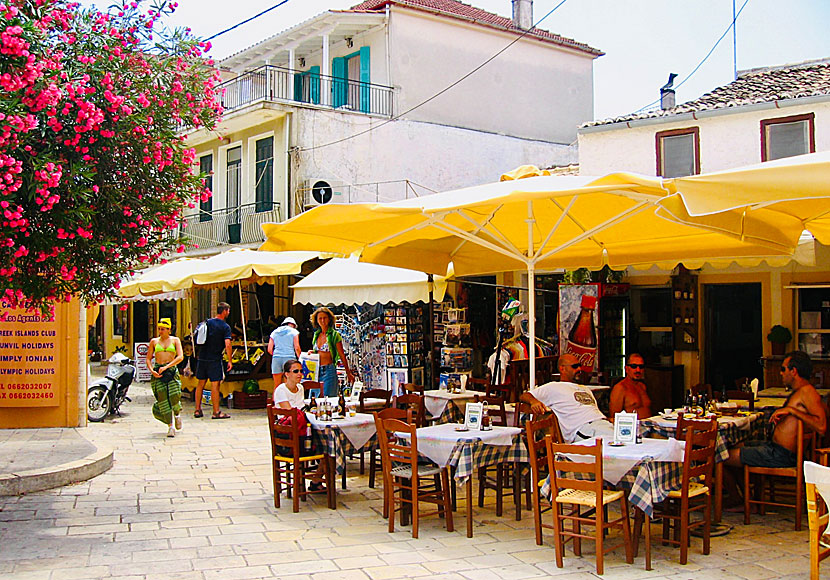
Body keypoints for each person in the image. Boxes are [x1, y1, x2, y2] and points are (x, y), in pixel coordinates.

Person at [520, 353, 614, 442]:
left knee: (624, 438)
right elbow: (524, 396)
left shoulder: (585, 389)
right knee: (618, 442)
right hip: (582, 429)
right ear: (562, 369)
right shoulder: (553, 387)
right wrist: (534, 402)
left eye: (579, 365)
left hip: (601, 424)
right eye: (574, 366)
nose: (579, 369)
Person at [194, 302, 233, 419]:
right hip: (215, 359)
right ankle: (216, 412)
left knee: (200, 384)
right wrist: (230, 360)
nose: (229, 313)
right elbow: (228, 344)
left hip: (202, 357)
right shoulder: (225, 327)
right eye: (228, 311)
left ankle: (197, 410)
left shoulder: (207, 322)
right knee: (215, 385)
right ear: (225, 311)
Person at [146, 318, 184, 437]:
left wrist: (168, 366)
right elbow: (148, 358)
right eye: (159, 329)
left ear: (169, 330)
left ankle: (177, 414)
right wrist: (152, 370)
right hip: (159, 371)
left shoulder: (175, 340)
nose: (160, 331)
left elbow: (180, 356)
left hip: (171, 370)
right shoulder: (154, 341)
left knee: (174, 395)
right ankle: (170, 426)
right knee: (163, 399)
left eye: (163, 329)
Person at [309, 306, 353, 397]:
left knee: (328, 398)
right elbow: (317, 352)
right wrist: (311, 353)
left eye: (324, 318)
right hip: (316, 371)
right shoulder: (316, 335)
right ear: (316, 320)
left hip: (328, 371)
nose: (322, 321)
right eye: (320, 318)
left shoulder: (334, 335)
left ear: (329, 319)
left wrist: (348, 373)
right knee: (314, 397)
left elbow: (341, 354)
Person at [609, 353, 653, 419]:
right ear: (626, 369)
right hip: (631, 427)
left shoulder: (642, 386)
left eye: (641, 367)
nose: (638, 370)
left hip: (649, 425)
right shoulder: (620, 388)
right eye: (634, 366)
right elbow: (614, 417)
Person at [268, 316, 301, 390]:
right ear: (293, 325)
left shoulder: (274, 332)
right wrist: (300, 358)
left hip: (276, 359)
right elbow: (297, 347)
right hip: (289, 359)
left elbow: (269, 349)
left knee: (277, 386)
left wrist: (277, 354)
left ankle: (276, 401)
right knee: (288, 385)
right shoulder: (294, 331)